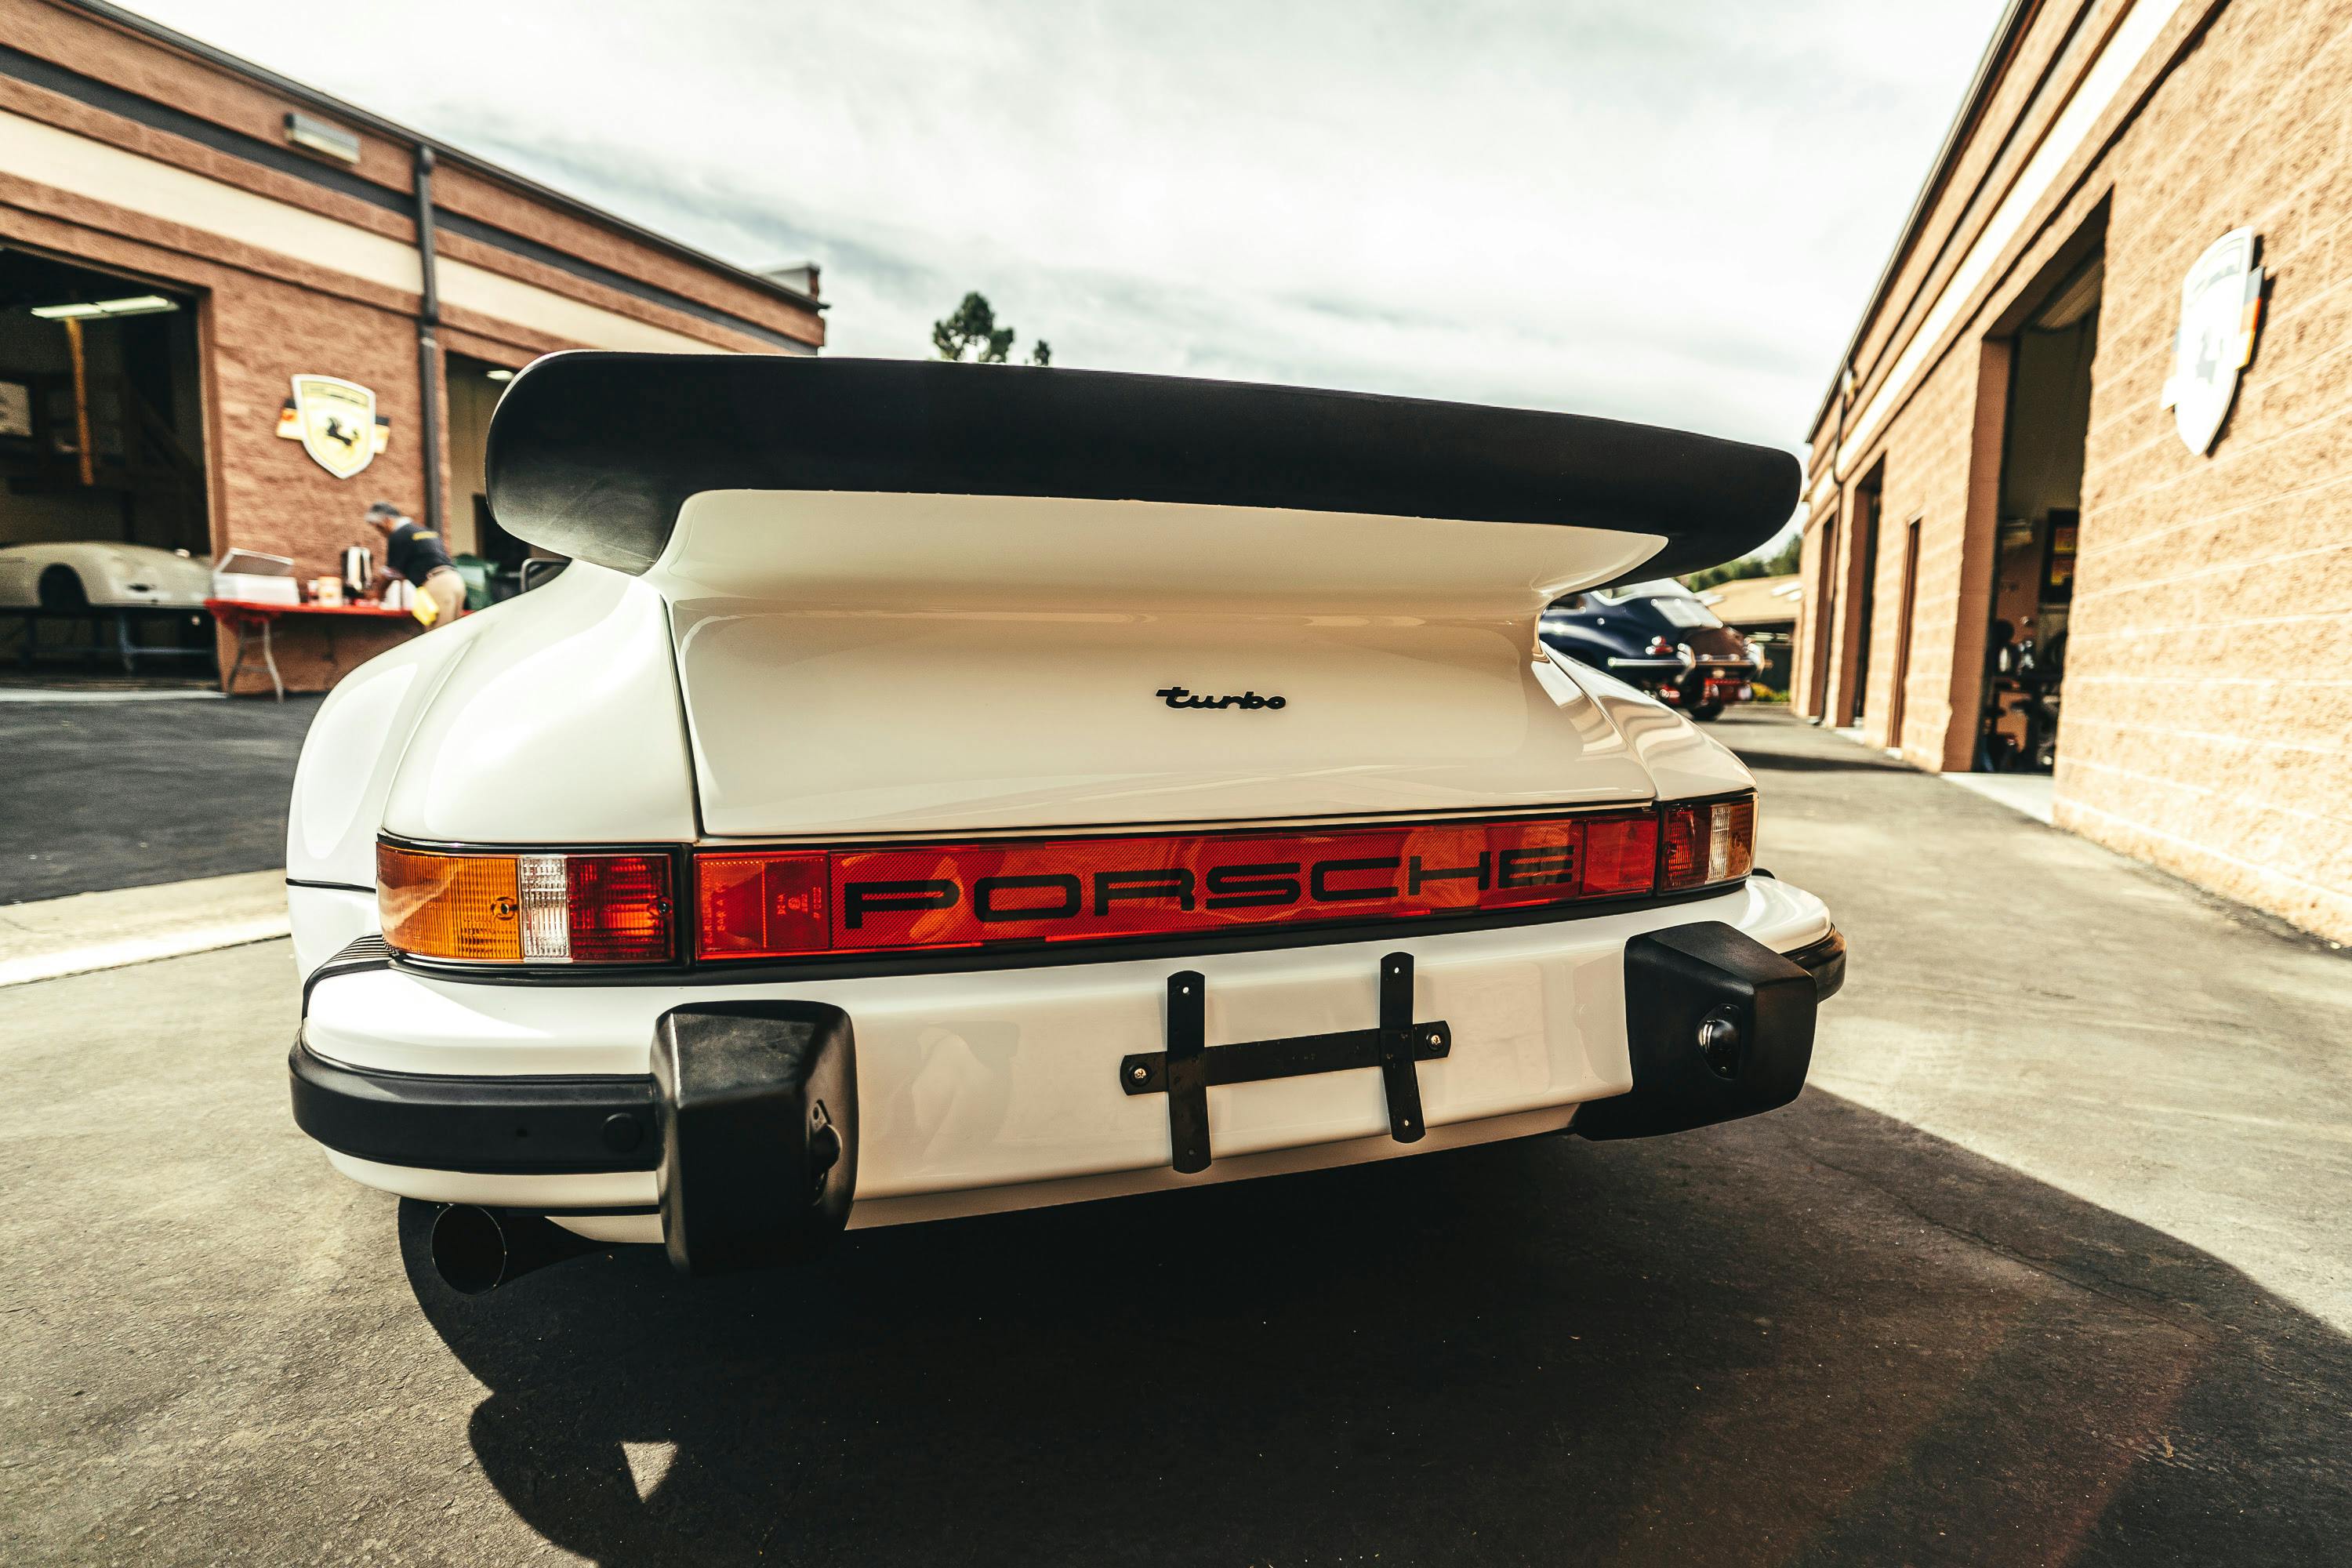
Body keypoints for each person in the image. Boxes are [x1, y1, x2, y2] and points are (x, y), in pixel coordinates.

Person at [363, 500, 466, 627]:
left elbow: (392, 572)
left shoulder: (399, 535)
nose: (381, 532)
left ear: (387, 520)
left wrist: (376, 594)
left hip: (437, 584)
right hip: (455, 580)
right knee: (452, 632)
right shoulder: (421, 530)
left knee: (439, 636)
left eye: (379, 527)